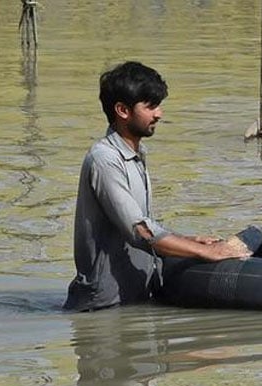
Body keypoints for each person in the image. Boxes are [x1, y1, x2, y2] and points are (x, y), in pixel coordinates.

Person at [64, 61, 250, 312]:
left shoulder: (137, 154)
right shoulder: (105, 159)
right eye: (150, 106)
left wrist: (189, 240)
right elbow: (140, 231)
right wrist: (209, 252)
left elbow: (143, 224)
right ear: (122, 110)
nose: (159, 114)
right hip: (102, 308)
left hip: (134, 300)